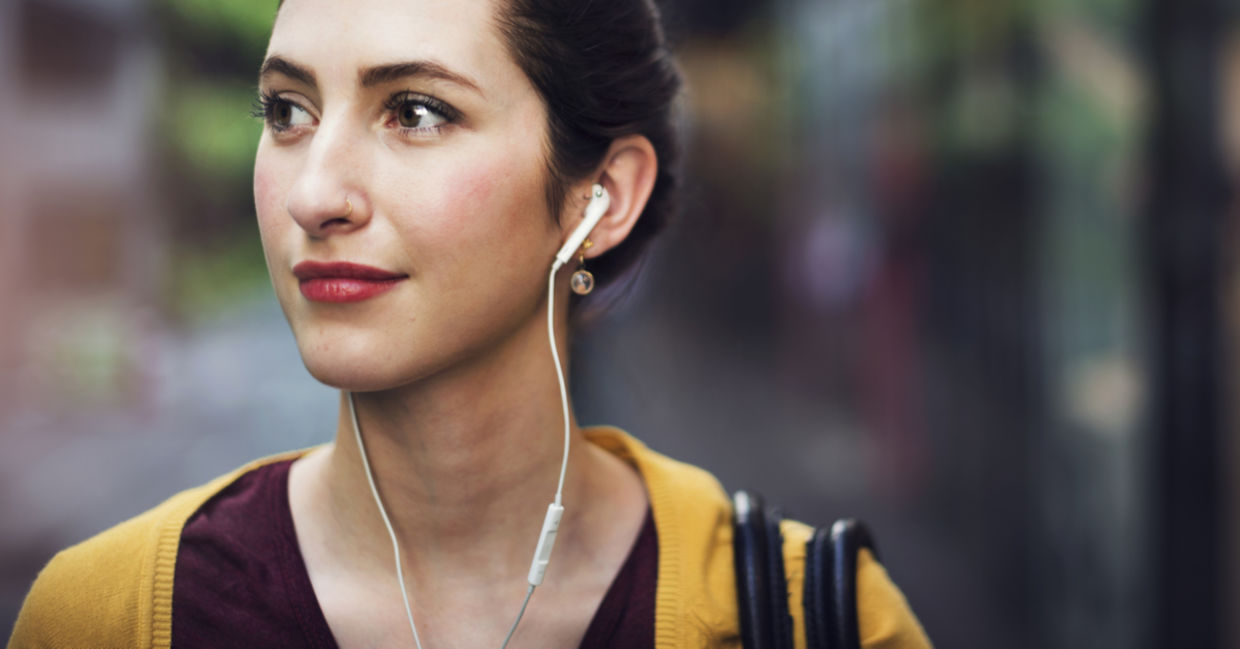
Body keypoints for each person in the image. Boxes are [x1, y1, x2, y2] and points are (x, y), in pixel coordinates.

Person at [8, 0, 932, 647]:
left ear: (600, 197)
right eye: (287, 111)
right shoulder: (110, 618)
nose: (315, 194)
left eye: (415, 112)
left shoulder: (809, 616)